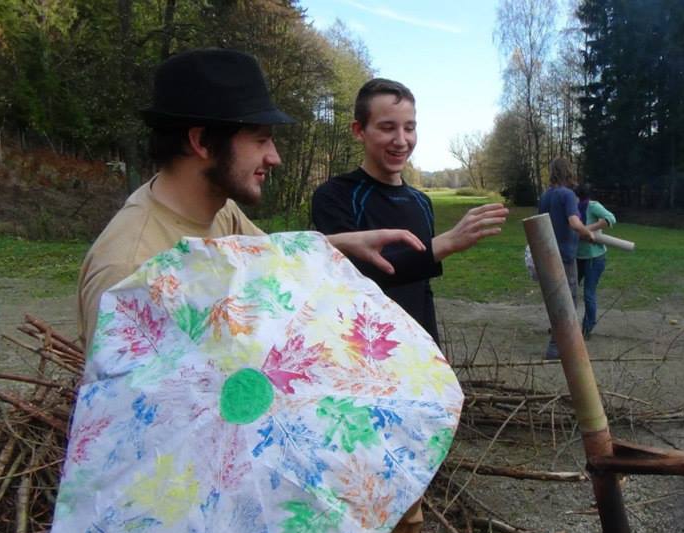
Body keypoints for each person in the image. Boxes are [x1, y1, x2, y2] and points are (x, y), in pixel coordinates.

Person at [78, 49, 425, 350]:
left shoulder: (220, 211)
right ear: (202, 142)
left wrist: (340, 244)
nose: (274, 157)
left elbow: (267, 258)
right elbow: (122, 402)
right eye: (260, 140)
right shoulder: (129, 271)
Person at [310, 78, 508, 347]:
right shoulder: (335, 195)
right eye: (387, 128)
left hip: (417, 353)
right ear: (359, 130)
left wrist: (434, 351)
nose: (401, 140)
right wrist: (443, 244)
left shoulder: (421, 202)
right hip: (360, 352)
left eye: (409, 128)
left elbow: (422, 287)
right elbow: (354, 278)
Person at [539, 157, 594, 360]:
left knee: (556, 299)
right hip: (565, 256)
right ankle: (558, 347)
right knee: (567, 301)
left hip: (546, 253)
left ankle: (559, 345)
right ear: (568, 172)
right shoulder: (568, 194)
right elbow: (574, 222)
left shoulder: (545, 195)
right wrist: (588, 233)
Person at [574, 183, 616, 340]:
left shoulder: (593, 206)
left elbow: (611, 219)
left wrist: (587, 229)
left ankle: (587, 328)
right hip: (576, 257)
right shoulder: (572, 207)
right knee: (568, 291)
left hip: (594, 258)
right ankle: (565, 327)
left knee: (588, 294)